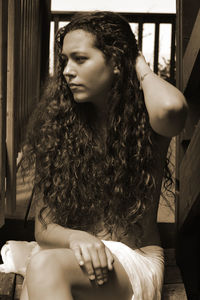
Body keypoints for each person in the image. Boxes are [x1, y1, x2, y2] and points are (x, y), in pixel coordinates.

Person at [17, 11, 187, 300]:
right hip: (74, 257)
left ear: (117, 62)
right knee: (40, 269)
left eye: (80, 59)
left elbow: (172, 108)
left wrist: (139, 64)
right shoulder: (59, 129)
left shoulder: (147, 123)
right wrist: (76, 237)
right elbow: (44, 228)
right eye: (65, 61)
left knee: (43, 267)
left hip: (134, 260)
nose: (67, 71)